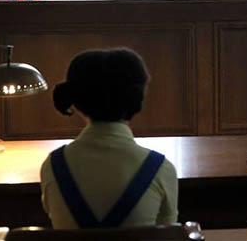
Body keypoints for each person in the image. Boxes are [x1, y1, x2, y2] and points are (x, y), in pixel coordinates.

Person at [40, 48, 178, 229]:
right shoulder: (161, 169)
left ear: (77, 99)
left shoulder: (52, 166)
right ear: (137, 97)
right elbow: (168, 232)